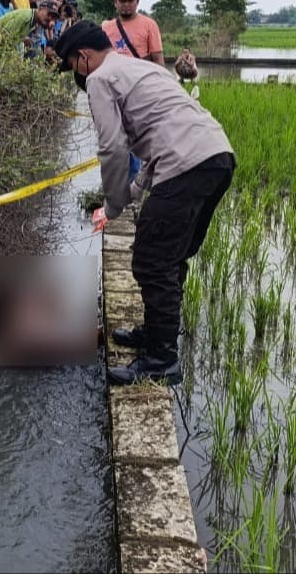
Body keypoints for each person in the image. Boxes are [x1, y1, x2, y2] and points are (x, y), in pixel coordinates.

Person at [54, 21, 233, 385]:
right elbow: (155, 148)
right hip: (216, 158)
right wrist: (130, 194)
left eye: (72, 65)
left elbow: (112, 148)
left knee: (151, 262)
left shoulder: (100, 80)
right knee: (169, 259)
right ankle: (156, 336)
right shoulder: (141, 68)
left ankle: (162, 361)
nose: (75, 74)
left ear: (84, 57)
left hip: (185, 166)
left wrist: (114, 205)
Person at [101, 0, 164, 67]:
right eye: (122, 0)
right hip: (115, 76)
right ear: (115, 3)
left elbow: (158, 59)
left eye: (130, 0)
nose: (126, 4)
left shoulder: (150, 25)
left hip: (140, 76)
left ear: (137, 2)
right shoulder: (106, 27)